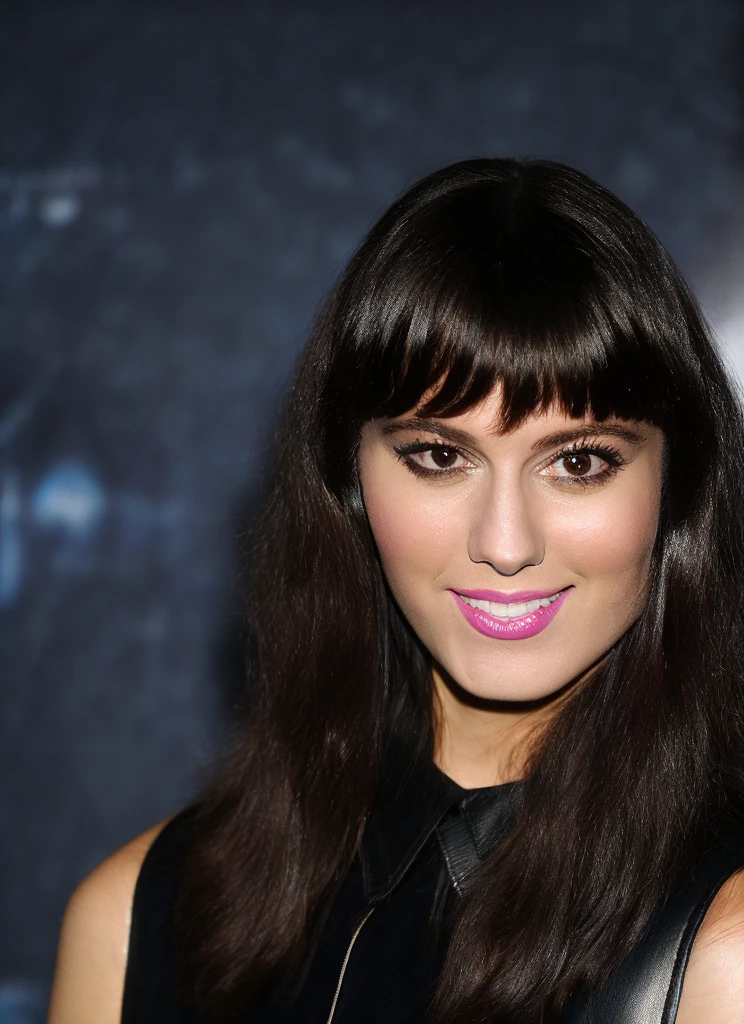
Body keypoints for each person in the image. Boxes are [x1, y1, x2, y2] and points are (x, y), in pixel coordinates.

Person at [47, 158, 744, 1024]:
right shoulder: (137, 915)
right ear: (349, 477)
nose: (504, 544)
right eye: (440, 456)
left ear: (677, 486)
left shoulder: (728, 945)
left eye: (579, 462)